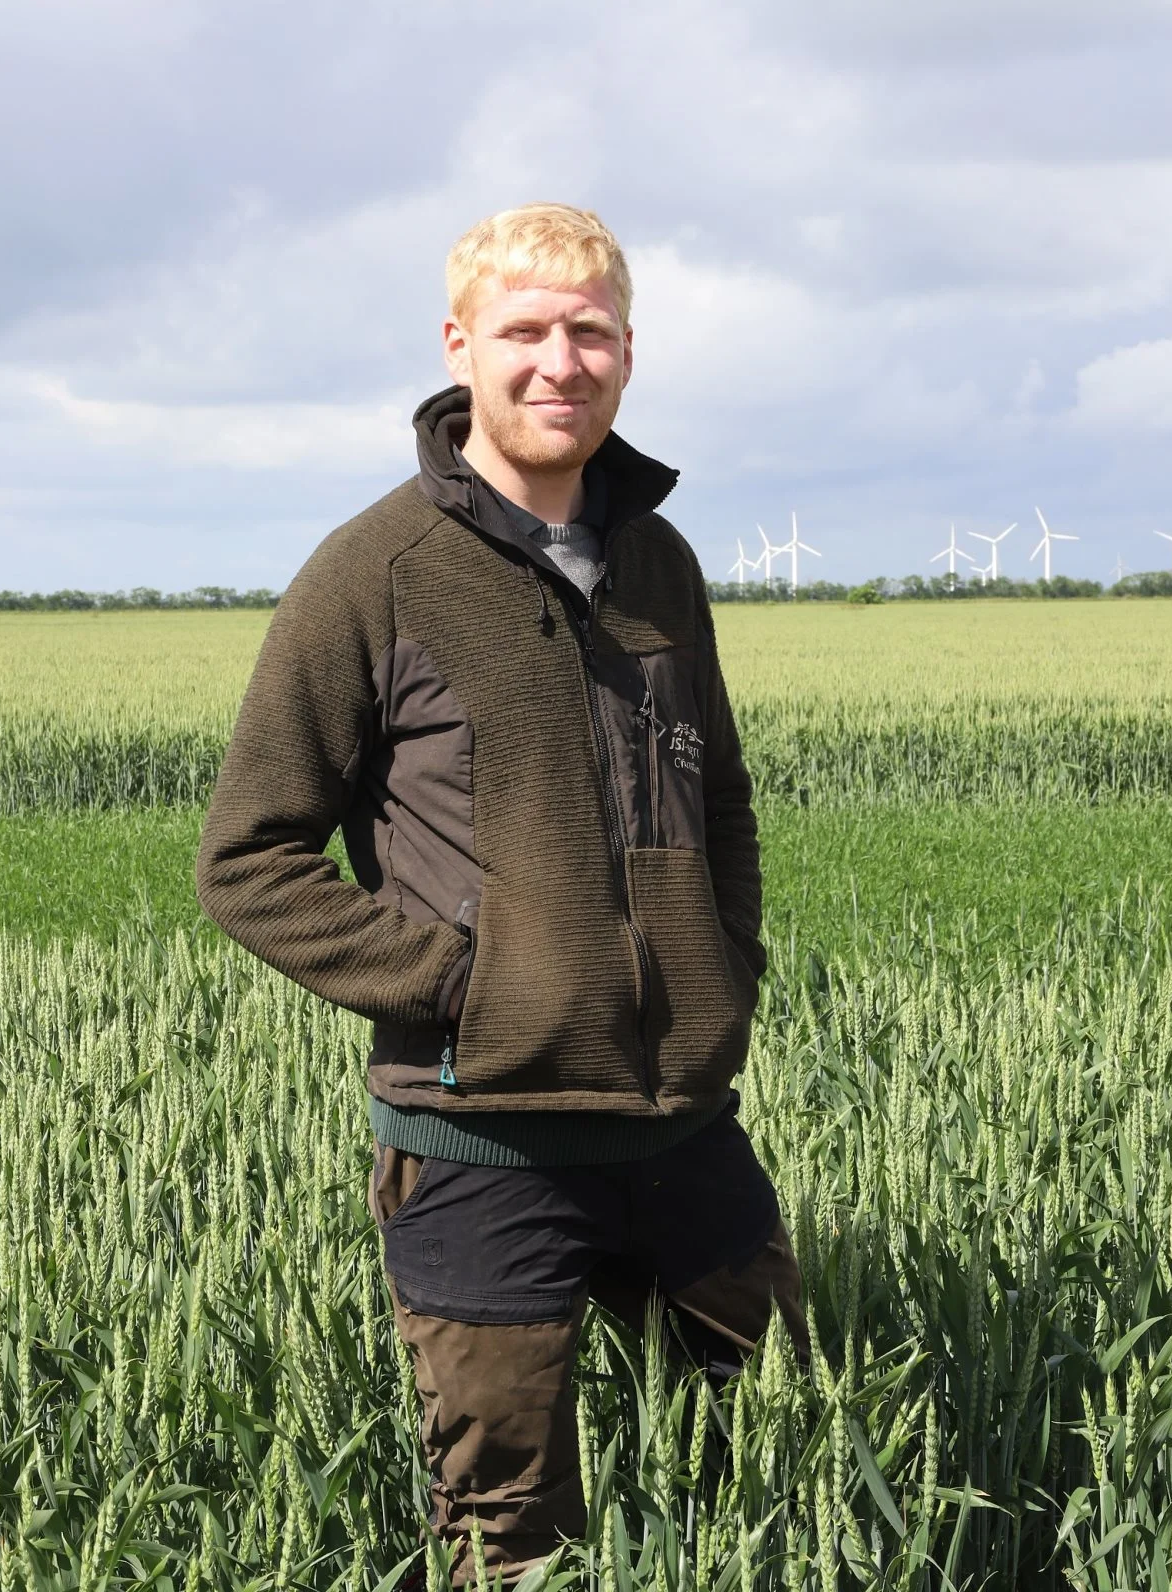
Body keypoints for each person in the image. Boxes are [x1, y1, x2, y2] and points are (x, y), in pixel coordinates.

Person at [196, 202, 806, 1582]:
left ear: (631, 354)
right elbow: (248, 858)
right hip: (485, 1149)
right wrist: (467, 985)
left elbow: (719, 801)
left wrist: (725, 969)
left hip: (685, 1133)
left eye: (589, 333)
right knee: (510, 1540)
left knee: (779, 1468)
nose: (559, 361)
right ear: (460, 345)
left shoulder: (661, 562)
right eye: (525, 331)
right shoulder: (376, 574)